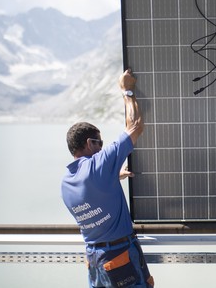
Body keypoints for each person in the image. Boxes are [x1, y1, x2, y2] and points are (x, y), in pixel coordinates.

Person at [61, 68, 154, 288]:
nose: (101, 147)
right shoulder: (97, 166)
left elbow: (93, 196)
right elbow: (135, 126)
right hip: (121, 258)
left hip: (95, 261)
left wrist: (115, 176)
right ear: (88, 144)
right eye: (98, 143)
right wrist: (127, 91)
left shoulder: (66, 181)